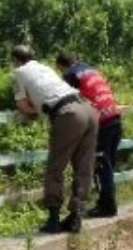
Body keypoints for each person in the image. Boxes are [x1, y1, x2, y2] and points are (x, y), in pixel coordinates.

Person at [10, 45, 98, 234]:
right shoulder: (46, 68)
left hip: (68, 114)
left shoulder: (18, 72)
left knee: (55, 167)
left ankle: (53, 219)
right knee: (84, 166)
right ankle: (76, 218)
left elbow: (23, 105)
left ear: (15, 60)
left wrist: (38, 111)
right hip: (88, 109)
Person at [56, 51, 123, 218]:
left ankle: (107, 206)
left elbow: (64, 100)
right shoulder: (91, 71)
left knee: (100, 166)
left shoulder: (71, 75)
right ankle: (107, 203)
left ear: (61, 66)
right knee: (108, 165)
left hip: (102, 122)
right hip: (114, 117)